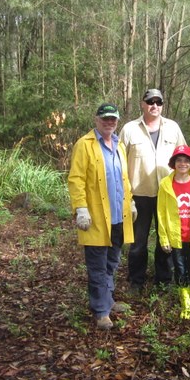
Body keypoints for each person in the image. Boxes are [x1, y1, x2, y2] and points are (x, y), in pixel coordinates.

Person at [67, 103, 137, 330]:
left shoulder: (120, 145)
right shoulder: (84, 145)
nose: (109, 122)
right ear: (96, 119)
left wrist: (131, 202)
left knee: (112, 263)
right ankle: (101, 311)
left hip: (118, 216)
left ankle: (108, 299)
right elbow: (76, 179)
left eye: (113, 119)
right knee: (97, 265)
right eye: (105, 118)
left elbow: (124, 179)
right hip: (96, 217)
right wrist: (81, 208)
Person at [120, 88, 186, 293]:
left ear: (163, 105)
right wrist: (124, 196)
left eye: (158, 102)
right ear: (142, 104)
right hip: (138, 194)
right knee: (138, 242)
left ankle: (163, 281)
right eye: (150, 101)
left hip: (167, 195)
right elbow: (119, 162)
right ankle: (136, 281)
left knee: (165, 239)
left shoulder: (173, 128)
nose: (154, 105)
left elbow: (183, 158)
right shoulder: (130, 129)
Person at [156, 145, 190, 319]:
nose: (182, 164)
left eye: (186, 160)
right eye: (179, 160)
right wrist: (163, 238)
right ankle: (185, 306)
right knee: (180, 270)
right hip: (175, 237)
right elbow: (161, 213)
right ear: (174, 163)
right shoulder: (165, 184)